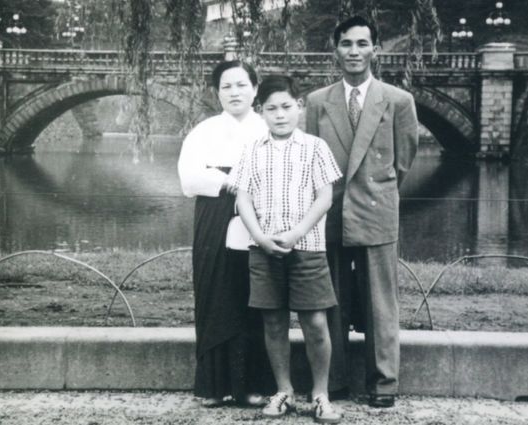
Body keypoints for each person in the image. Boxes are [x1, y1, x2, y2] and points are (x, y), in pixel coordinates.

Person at [305, 16, 419, 408]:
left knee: (380, 302)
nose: (354, 52)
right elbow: (311, 162)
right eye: (347, 44)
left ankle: (383, 384)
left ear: (376, 49)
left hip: (376, 211)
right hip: (329, 212)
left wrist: (377, 191)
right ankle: (333, 380)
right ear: (335, 49)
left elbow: (403, 161)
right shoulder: (318, 102)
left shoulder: (398, 101)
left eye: (362, 44)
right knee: (329, 298)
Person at [229, 75, 343, 423]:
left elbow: (325, 197)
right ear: (260, 111)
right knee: (274, 322)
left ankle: (320, 394)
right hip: (263, 249)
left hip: (306, 247)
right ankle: (284, 391)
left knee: (315, 322)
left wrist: (296, 233)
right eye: (272, 109)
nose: (280, 115)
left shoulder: (315, 148)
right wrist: (261, 237)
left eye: (287, 107)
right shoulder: (252, 149)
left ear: (300, 106)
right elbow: (243, 198)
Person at [177, 60, 272, 407]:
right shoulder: (204, 131)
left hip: (259, 217)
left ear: (255, 89)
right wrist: (228, 181)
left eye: (242, 85)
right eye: (227, 86)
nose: (235, 92)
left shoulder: (267, 128)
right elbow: (189, 179)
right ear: (217, 93)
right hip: (214, 216)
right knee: (215, 295)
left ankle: (251, 385)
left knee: (254, 299)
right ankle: (213, 386)